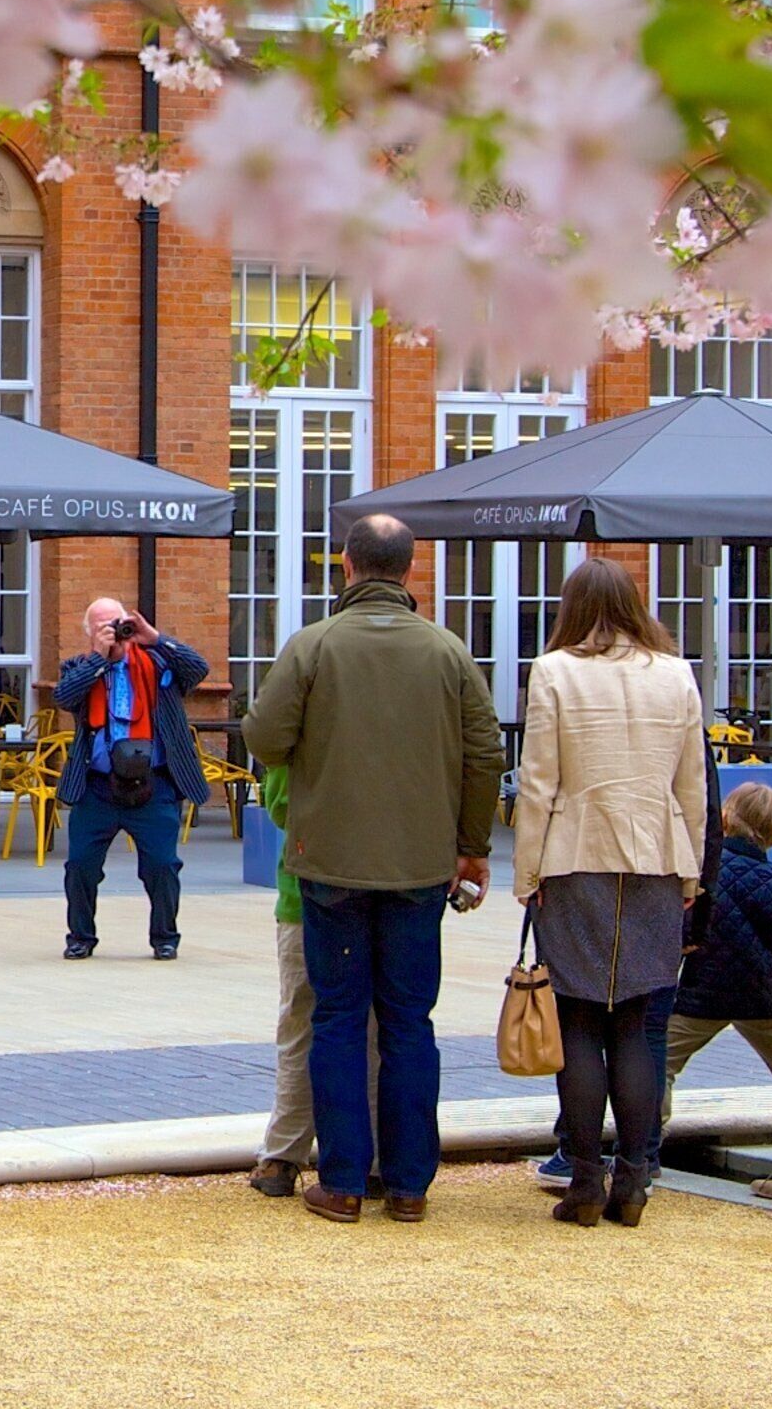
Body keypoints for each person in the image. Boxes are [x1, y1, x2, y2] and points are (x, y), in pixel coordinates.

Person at [244, 513, 506, 1224]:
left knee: (335, 1017)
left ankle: (343, 1179)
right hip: (421, 866)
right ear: (409, 570)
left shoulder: (314, 646)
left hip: (328, 861)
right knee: (408, 1022)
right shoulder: (448, 652)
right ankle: (411, 1183)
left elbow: (265, 737)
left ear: (347, 566)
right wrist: (471, 845)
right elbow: (486, 755)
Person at [512, 557, 709, 1227]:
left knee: (578, 1023)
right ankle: (634, 1179)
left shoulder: (555, 670)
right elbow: (693, 788)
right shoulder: (676, 675)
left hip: (573, 857)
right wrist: (693, 871)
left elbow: (538, 783)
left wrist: (526, 872)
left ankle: (585, 1180)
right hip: (656, 856)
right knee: (633, 1023)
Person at [50, 596, 210, 962]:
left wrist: (154, 637)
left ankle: (165, 937)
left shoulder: (157, 662)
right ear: (91, 633)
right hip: (98, 785)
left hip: (154, 784)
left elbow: (199, 669)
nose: (116, 632)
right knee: (80, 866)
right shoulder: (80, 666)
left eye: (120, 623)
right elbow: (64, 696)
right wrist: (100, 659)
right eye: (105, 626)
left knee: (162, 865)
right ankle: (80, 937)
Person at [666, 784, 772, 1120]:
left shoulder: (704, 872)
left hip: (702, 995)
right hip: (761, 1000)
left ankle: (647, 1148)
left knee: (660, 1065)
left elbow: (680, 933)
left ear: (727, 818)